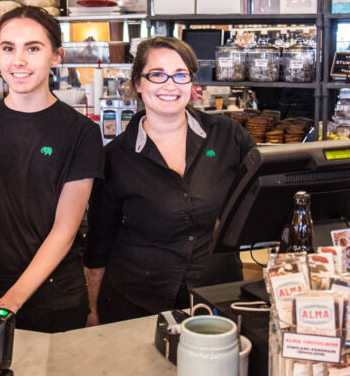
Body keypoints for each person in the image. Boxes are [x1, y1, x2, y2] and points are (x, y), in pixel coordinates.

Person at [0, 6, 103, 333]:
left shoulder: (80, 133)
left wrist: (12, 300)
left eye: (33, 48)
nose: (19, 60)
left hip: (55, 294)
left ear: (56, 57)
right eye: (8, 48)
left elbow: (64, 230)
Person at [85, 36, 256, 325]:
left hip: (217, 294)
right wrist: (92, 311)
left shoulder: (227, 135)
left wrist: (232, 223)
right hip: (136, 303)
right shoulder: (115, 157)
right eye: (157, 75)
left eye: (180, 75)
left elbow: (260, 191)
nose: (170, 85)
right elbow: (98, 244)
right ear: (138, 83)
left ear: (192, 82)